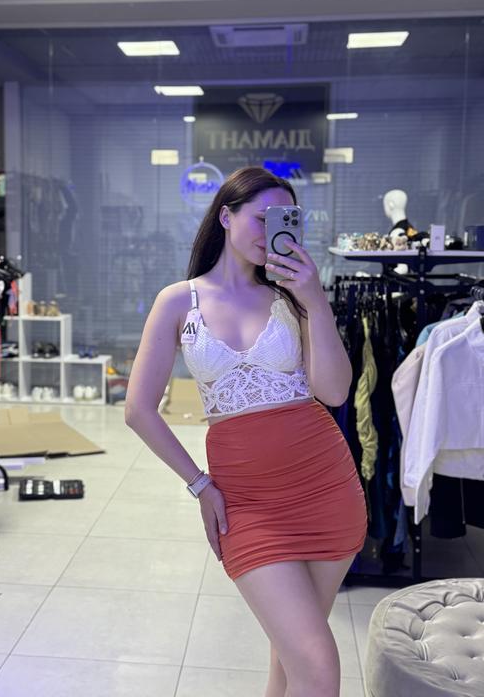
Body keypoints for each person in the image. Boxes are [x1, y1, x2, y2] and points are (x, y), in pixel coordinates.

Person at [125, 167, 367, 697]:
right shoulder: (178, 301)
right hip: (247, 502)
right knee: (317, 662)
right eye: (260, 218)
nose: (270, 231)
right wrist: (200, 485)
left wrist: (315, 300)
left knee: (294, 658)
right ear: (225, 216)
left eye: (284, 219)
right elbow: (139, 410)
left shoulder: (293, 296)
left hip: (327, 488)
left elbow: (333, 391)